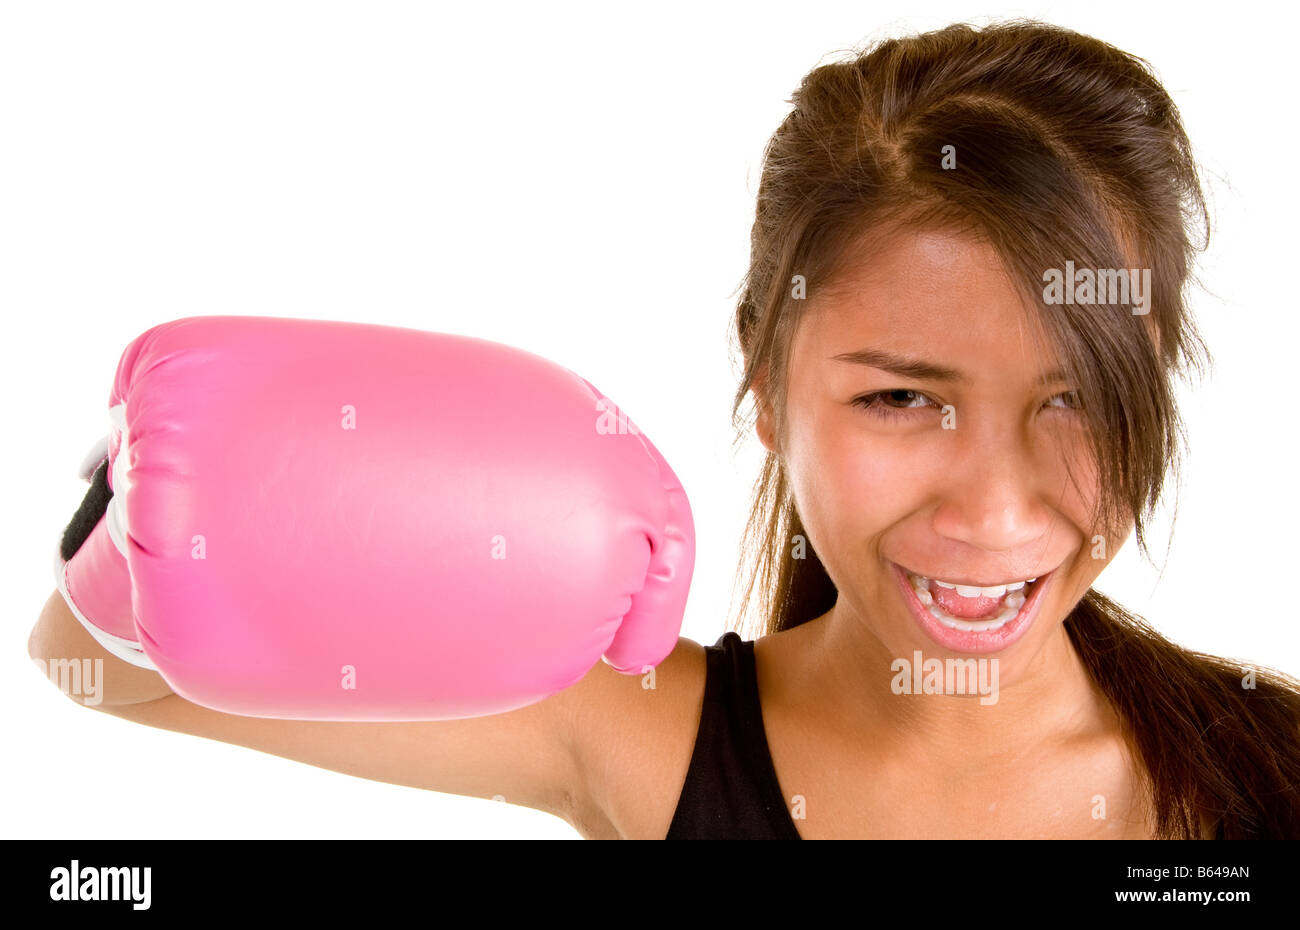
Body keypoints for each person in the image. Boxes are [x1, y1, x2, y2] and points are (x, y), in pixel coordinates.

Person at [29, 18, 1300, 839]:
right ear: (764, 378)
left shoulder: (1270, 763)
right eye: (901, 398)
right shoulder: (640, 736)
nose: (993, 512)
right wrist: (149, 489)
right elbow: (96, 662)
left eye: (1072, 398)